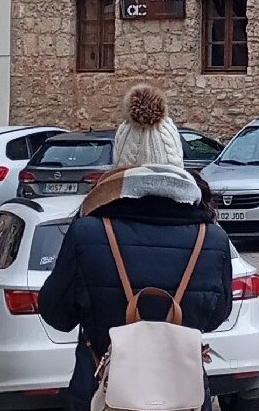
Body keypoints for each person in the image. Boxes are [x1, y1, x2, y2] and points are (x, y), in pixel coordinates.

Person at [38, 84, 234, 411]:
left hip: (102, 395)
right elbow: (216, 317)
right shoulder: (211, 238)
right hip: (182, 397)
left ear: (120, 165)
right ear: (177, 163)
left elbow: (56, 314)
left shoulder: (87, 231)